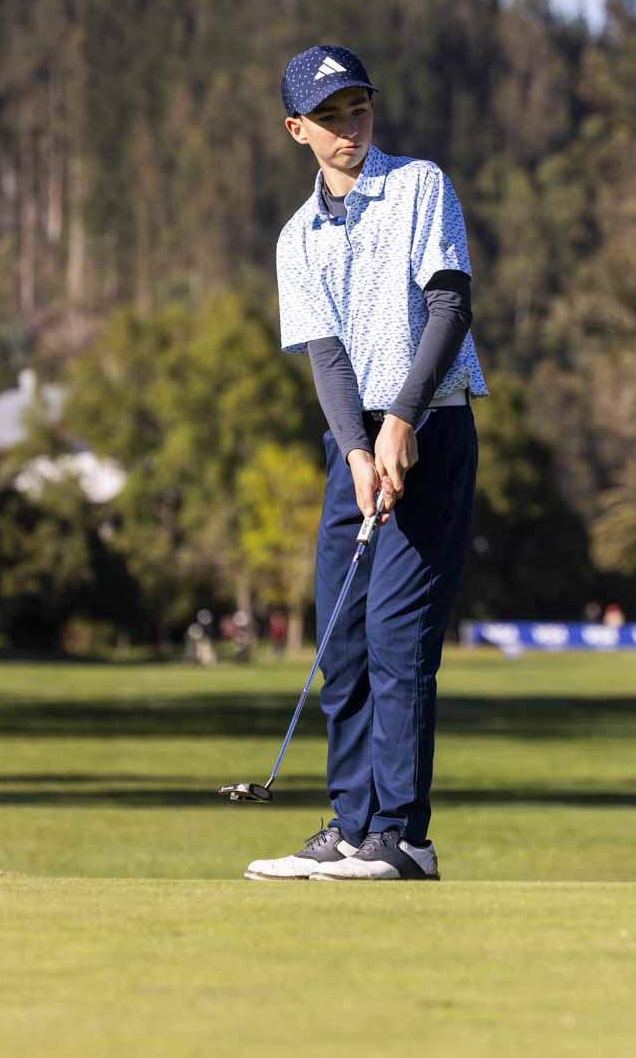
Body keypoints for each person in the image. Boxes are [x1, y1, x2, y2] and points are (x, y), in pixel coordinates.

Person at [242, 44, 485, 884]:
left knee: (396, 637)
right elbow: (327, 355)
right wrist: (355, 444)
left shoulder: (420, 186)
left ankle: (402, 836)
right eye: (330, 116)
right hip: (355, 442)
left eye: (359, 109)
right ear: (297, 130)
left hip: (431, 426)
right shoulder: (296, 237)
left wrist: (403, 418)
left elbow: (449, 305)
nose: (349, 127)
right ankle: (352, 828)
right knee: (342, 638)